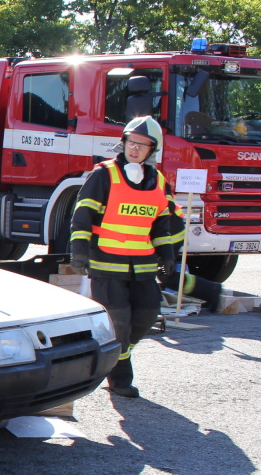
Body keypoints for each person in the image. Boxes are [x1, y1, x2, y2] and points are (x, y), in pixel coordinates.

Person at [70, 115, 184, 398]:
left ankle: (120, 355)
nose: (135, 149)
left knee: (146, 315)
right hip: (106, 263)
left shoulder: (157, 180)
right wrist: (79, 252)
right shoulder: (104, 174)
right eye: (131, 142)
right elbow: (82, 216)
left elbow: (162, 222)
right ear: (123, 143)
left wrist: (167, 255)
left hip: (142, 265)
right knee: (118, 321)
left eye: (142, 145)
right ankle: (120, 379)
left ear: (151, 150)